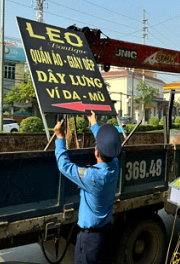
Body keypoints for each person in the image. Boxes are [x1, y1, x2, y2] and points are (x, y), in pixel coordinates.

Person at [54, 111, 122, 264]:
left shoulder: (92, 177)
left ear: (96, 152)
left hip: (91, 239)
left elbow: (64, 166)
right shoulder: (114, 166)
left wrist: (60, 138)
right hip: (105, 233)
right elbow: (108, 146)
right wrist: (93, 122)